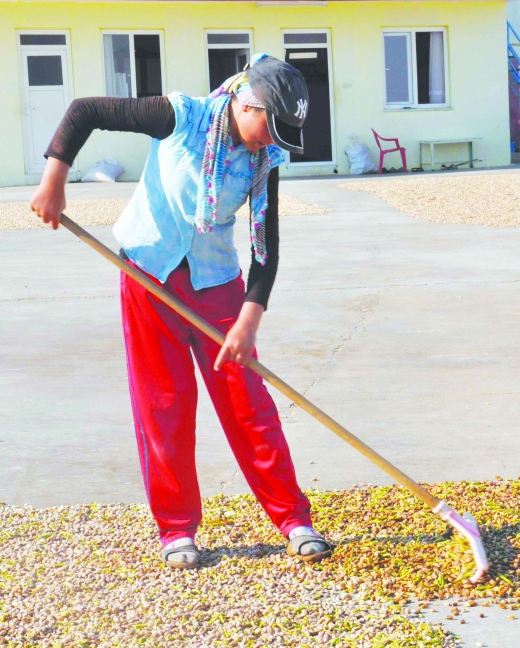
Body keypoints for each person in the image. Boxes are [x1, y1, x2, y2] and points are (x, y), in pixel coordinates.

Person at [30, 53, 333, 570]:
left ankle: (292, 518)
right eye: (270, 127)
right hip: (148, 275)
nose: (271, 141)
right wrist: (53, 181)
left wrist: (247, 318)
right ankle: (176, 529)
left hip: (217, 286)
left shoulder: (266, 160)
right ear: (246, 102)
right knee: (164, 404)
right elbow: (84, 111)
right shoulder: (181, 116)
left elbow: (267, 246)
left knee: (250, 406)